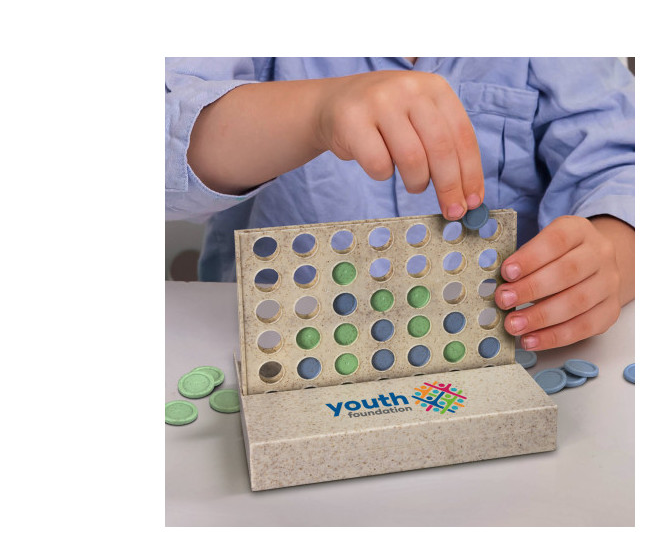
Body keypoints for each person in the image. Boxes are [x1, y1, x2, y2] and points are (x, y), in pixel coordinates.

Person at [165, 57, 634, 351]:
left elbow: (624, 164)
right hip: (277, 346)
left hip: (502, 349)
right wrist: (314, 112)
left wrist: (611, 252)